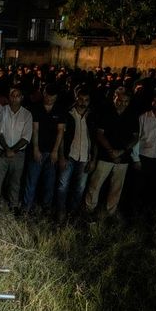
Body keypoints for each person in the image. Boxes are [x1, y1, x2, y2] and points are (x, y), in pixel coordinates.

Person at [84, 87, 139, 216]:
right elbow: (99, 133)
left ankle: (110, 213)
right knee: (95, 185)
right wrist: (111, 151)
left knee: (116, 188)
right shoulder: (105, 112)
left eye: (126, 101)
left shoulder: (132, 115)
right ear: (114, 97)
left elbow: (135, 137)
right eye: (120, 100)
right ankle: (88, 210)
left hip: (123, 158)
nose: (122, 103)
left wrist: (121, 151)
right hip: (105, 156)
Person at [23, 83, 65, 214]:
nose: (49, 99)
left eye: (52, 98)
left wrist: (55, 151)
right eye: (47, 96)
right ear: (44, 93)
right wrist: (35, 149)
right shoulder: (36, 108)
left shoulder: (59, 109)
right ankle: (26, 207)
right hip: (37, 150)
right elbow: (35, 129)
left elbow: (60, 132)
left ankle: (46, 208)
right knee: (32, 181)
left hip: (51, 151)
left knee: (49, 182)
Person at [0, 87, 32, 214]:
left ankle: (14, 205)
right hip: (1, 151)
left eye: (18, 95)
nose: (15, 98)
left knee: (15, 181)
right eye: (12, 95)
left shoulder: (27, 114)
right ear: (9, 97)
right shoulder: (2, 111)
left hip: (18, 154)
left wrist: (12, 150)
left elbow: (26, 137)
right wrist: (7, 149)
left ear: (22, 97)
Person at [56, 88, 94, 219]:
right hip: (69, 155)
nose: (83, 102)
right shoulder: (68, 113)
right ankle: (61, 212)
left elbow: (95, 139)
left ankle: (73, 213)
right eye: (81, 99)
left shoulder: (92, 116)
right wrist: (61, 156)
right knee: (63, 186)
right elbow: (61, 137)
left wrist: (93, 159)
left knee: (79, 188)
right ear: (76, 97)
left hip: (84, 157)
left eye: (86, 100)